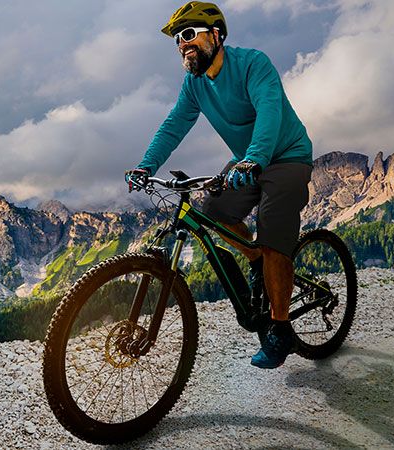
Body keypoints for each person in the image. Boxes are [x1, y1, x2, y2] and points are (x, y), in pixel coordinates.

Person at [124, 1, 313, 369]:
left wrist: (255, 158)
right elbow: (175, 123)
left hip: (285, 156)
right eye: (178, 39)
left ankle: (280, 327)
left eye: (190, 34)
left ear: (216, 34)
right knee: (210, 209)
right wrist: (146, 165)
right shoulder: (194, 83)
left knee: (273, 229)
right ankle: (257, 259)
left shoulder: (253, 64)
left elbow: (269, 110)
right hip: (248, 160)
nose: (183, 43)